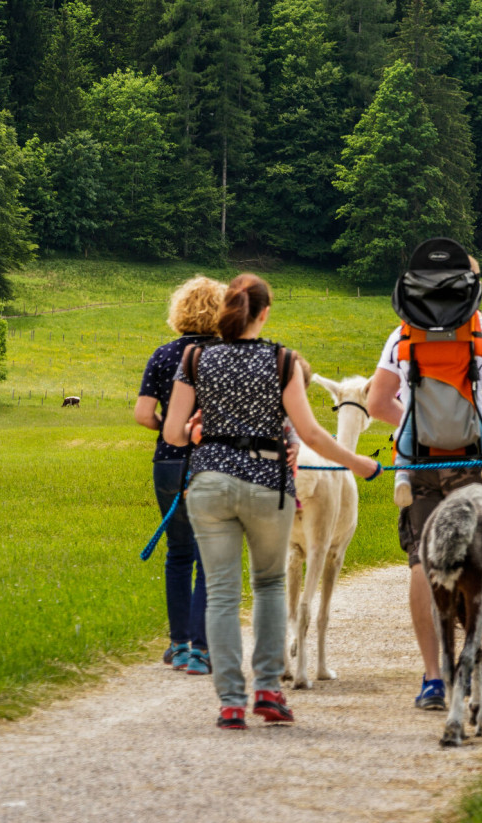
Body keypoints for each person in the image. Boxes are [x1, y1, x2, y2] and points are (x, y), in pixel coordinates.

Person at [163, 274, 380, 730]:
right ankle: (267, 689)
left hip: (210, 482)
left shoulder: (195, 357)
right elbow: (314, 433)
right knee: (268, 585)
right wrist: (357, 463)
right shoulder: (281, 360)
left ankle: (229, 702)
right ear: (264, 313)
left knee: (222, 593)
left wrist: (198, 432)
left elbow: (172, 432)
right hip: (266, 481)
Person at [367, 246, 482, 711]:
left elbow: (377, 402)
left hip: (418, 466)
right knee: (476, 564)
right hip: (475, 466)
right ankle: (471, 670)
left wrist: (408, 428)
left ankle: (433, 678)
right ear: (474, 287)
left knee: (423, 561)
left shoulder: (403, 335)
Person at [134, 275, 225, 675]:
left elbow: (142, 414)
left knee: (178, 552)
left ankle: (179, 644)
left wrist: (170, 429)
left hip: (169, 462)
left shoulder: (163, 354)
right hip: (214, 462)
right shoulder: (227, 355)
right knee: (210, 557)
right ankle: (203, 649)